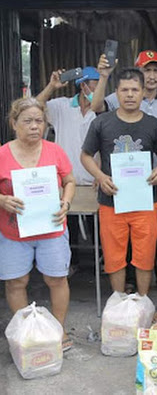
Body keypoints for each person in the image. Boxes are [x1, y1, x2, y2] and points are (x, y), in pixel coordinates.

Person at [92, 50, 157, 297]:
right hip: (117, 187)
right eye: (146, 70)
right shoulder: (117, 98)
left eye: (155, 70)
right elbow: (96, 107)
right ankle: (125, 288)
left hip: (150, 183)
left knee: (154, 236)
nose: (151, 75)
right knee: (120, 243)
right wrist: (103, 76)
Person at [0, 97, 76, 351]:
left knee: (56, 279)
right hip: (13, 232)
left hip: (51, 229)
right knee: (16, 282)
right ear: (14, 123)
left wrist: (65, 203)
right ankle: (26, 334)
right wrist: (2, 200)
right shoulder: (2, 154)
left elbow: (69, 181)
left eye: (39, 121)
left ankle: (59, 330)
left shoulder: (55, 151)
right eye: (27, 121)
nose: (34, 126)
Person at [36, 66, 100, 277]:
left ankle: (100, 261)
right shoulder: (62, 106)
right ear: (83, 86)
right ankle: (72, 262)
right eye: (95, 83)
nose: (99, 87)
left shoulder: (102, 109)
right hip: (66, 180)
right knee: (67, 222)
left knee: (97, 224)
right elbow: (34, 106)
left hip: (94, 179)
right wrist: (51, 86)